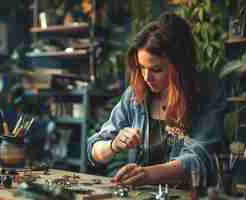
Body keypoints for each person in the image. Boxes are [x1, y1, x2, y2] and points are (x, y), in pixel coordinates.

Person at [87, 12, 227, 187]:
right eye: (142, 67)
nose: (146, 77)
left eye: (156, 69)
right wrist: (114, 145)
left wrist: (148, 174)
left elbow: (200, 159)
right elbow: (93, 149)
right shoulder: (134, 96)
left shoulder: (205, 95)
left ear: (179, 66)